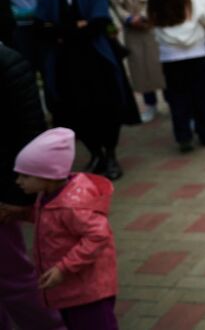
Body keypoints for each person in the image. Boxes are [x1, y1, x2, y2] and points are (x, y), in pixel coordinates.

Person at [36, 0, 139, 181]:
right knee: (74, 111)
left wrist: (62, 30)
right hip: (64, 65)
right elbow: (41, 28)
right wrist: (75, 27)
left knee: (105, 108)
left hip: (95, 62)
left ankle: (111, 154)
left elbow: (98, 24)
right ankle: (95, 153)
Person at [9, 128, 119, 329]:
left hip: (88, 293)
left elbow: (98, 236)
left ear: (47, 176)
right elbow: (51, 220)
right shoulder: (49, 195)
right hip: (71, 290)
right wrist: (19, 212)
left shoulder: (72, 205)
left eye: (25, 176)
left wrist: (63, 268)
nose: (18, 182)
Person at [0, 44, 65, 329]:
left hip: (2, 194)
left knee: (14, 278)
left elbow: (31, 131)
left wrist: (17, 196)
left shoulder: (7, 62)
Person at [147, 0, 205, 152]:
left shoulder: (154, 1)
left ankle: (183, 137)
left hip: (170, 57)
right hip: (197, 53)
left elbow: (152, 27)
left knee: (178, 98)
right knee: (202, 95)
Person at [108, 0, 165, 123]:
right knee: (139, 67)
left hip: (151, 26)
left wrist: (146, 16)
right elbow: (116, 4)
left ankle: (170, 100)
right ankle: (150, 104)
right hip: (132, 29)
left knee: (159, 64)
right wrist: (128, 18)